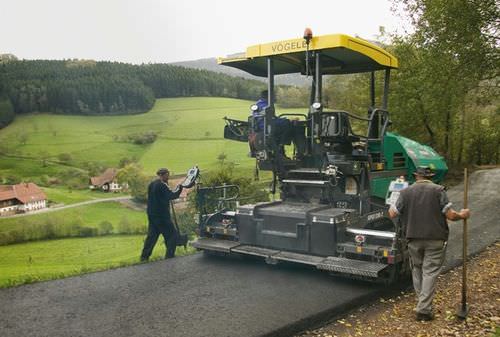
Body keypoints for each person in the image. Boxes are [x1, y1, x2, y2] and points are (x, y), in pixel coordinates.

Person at [388, 166, 470, 321]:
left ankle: (422, 304)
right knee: (430, 272)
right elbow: (451, 216)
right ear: (430, 176)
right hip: (435, 239)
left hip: (412, 239)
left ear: (416, 176)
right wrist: (463, 215)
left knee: (417, 270)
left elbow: (392, 213)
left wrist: (394, 200)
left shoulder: (405, 192)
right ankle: (424, 309)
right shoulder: (438, 191)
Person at [140, 168, 183, 261]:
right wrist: (180, 189)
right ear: (165, 175)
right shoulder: (162, 185)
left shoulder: (152, 184)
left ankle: (144, 257)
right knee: (172, 235)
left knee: (152, 236)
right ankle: (169, 257)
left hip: (152, 214)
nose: (168, 177)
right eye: (168, 175)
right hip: (162, 216)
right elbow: (171, 196)